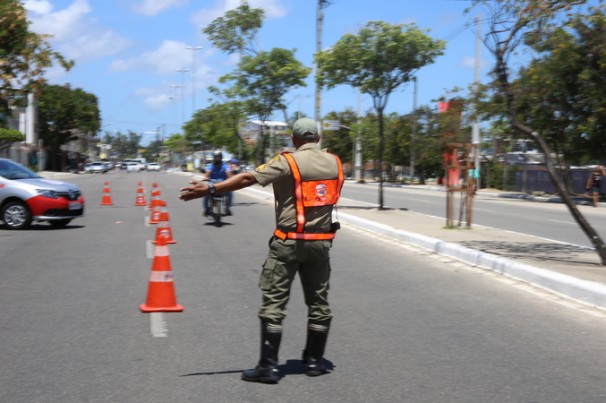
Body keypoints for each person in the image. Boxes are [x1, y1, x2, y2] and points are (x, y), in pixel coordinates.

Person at [179, 118, 344, 384]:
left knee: (274, 304)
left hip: (288, 243)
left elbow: (247, 177)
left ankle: (268, 367)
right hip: (321, 244)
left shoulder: (287, 161)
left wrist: (210, 188)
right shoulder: (335, 162)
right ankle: (313, 361)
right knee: (318, 303)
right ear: (319, 137)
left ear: (294, 139)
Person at [203, 151, 233, 216]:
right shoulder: (210, 166)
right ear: (214, 158)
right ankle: (207, 209)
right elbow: (207, 175)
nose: (217, 158)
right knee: (206, 193)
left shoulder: (226, 166)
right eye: (216, 157)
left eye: (218, 157)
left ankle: (227, 208)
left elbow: (230, 175)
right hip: (212, 184)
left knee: (230, 192)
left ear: (221, 157)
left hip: (223, 184)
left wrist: (230, 179)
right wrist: (206, 177)